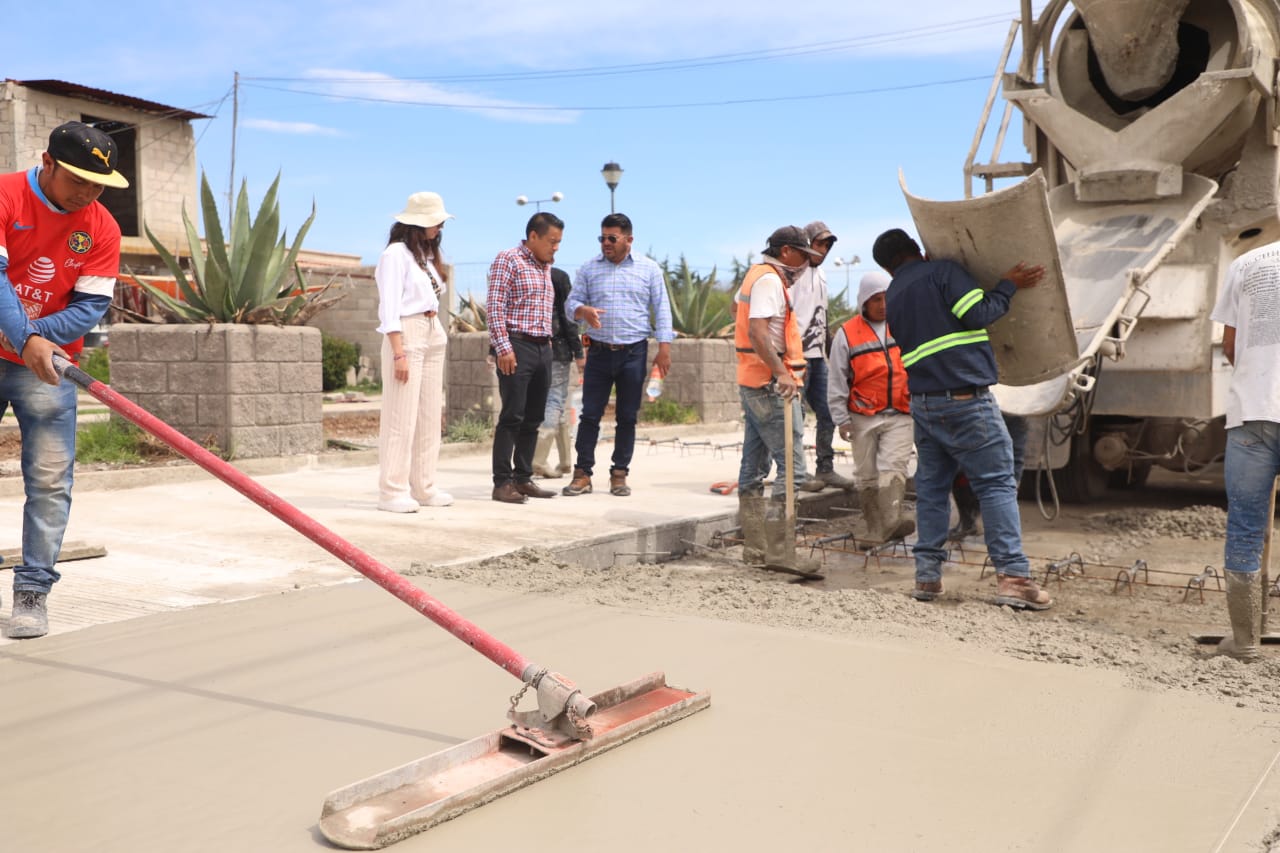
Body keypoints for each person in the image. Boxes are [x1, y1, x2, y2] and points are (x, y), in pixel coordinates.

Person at [872, 227, 1052, 610]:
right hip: (966, 400)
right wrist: (1007, 285)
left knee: (933, 491)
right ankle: (1014, 579)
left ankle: (927, 578)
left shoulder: (893, 295)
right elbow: (980, 313)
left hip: (924, 405)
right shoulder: (943, 272)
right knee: (997, 485)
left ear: (888, 268)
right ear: (917, 250)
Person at [0, 121, 126, 639]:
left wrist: (33, 340)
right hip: (25, 348)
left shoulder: (101, 227)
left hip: (48, 368)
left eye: (98, 184)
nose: (88, 193)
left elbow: (90, 306)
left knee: (50, 480)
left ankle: (33, 592)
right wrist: (23, 338)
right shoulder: (6, 196)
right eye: (78, 179)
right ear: (47, 162)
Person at [562, 213, 673, 497]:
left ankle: (619, 474)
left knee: (627, 417)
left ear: (629, 239)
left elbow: (661, 309)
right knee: (590, 416)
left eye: (612, 238)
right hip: (598, 353)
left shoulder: (649, 269)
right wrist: (582, 311)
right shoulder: (588, 269)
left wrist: (664, 349)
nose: (606, 243)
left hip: (633, 352)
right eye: (602, 238)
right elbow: (570, 303)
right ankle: (582, 474)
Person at [1207, 238, 1280, 661]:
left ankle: (1246, 643)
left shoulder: (1248, 262)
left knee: (1245, 530)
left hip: (1253, 413)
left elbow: (1231, 345)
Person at [734, 226, 821, 570]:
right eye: (803, 256)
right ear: (786, 251)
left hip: (754, 381)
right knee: (793, 470)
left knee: (753, 469)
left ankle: (756, 550)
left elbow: (739, 315)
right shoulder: (769, 280)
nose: (806, 265)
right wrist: (782, 373)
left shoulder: (756, 276)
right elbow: (757, 331)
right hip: (771, 384)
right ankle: (780, 551)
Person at [374, 191, 455, 513]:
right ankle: (392, 491)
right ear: (417, 224)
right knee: (400, 418)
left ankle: (424, 486)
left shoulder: (424, 256)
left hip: (433, 332)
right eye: (435, 222)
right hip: (406, 333)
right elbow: (389, 307)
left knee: (429, 417)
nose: (439, 228)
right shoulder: (395, 255)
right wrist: (398, 352)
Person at [827, 271, 915, 544]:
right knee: (866, 475)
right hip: (863, 415)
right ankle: (875, 529)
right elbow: (837, 378)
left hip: (901, 411)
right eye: (875, 299)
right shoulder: (847, 334)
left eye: (886, 298)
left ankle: (890, 521)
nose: (882, 304)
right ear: (864, 301)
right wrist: (841, 418)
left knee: (894, 465)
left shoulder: (904, 323)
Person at [486, 212, 563, 504]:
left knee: (533, 418)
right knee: (512, 416)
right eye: (551, 241)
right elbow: (495, 307)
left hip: (543, 349)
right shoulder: (509, 259)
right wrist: (503, 348)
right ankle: (502, 483)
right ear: (533, 236)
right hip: (517, 346)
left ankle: (523, 478)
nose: (555, 247)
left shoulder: (545, 266)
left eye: (558, 243)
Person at [792, 221, 855, 492]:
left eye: (829, 245)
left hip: (817, 358)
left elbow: (822, 317)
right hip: (796, 357)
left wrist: (834, 356)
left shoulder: (822, 276)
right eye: (820, 243)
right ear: (807, 243)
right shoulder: (792, 275)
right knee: (794, 418)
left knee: (828, 412)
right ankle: (795, 474)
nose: (825, 249)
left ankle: (825, 468)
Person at [533, 267, 585, 478]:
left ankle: (562, 462)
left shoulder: (533, 275)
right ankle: (541, 460)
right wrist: (578, 350)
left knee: (557, 401)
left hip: (536, 348)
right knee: (556, 401)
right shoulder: (559, 276)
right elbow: (568, 317)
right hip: (559, 349)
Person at [949, 414, 1027, 540]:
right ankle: (973, 521)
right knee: (963, 463)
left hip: (1003, 408)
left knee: (1009, 465)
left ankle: (1001, 532)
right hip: (1006, 406)